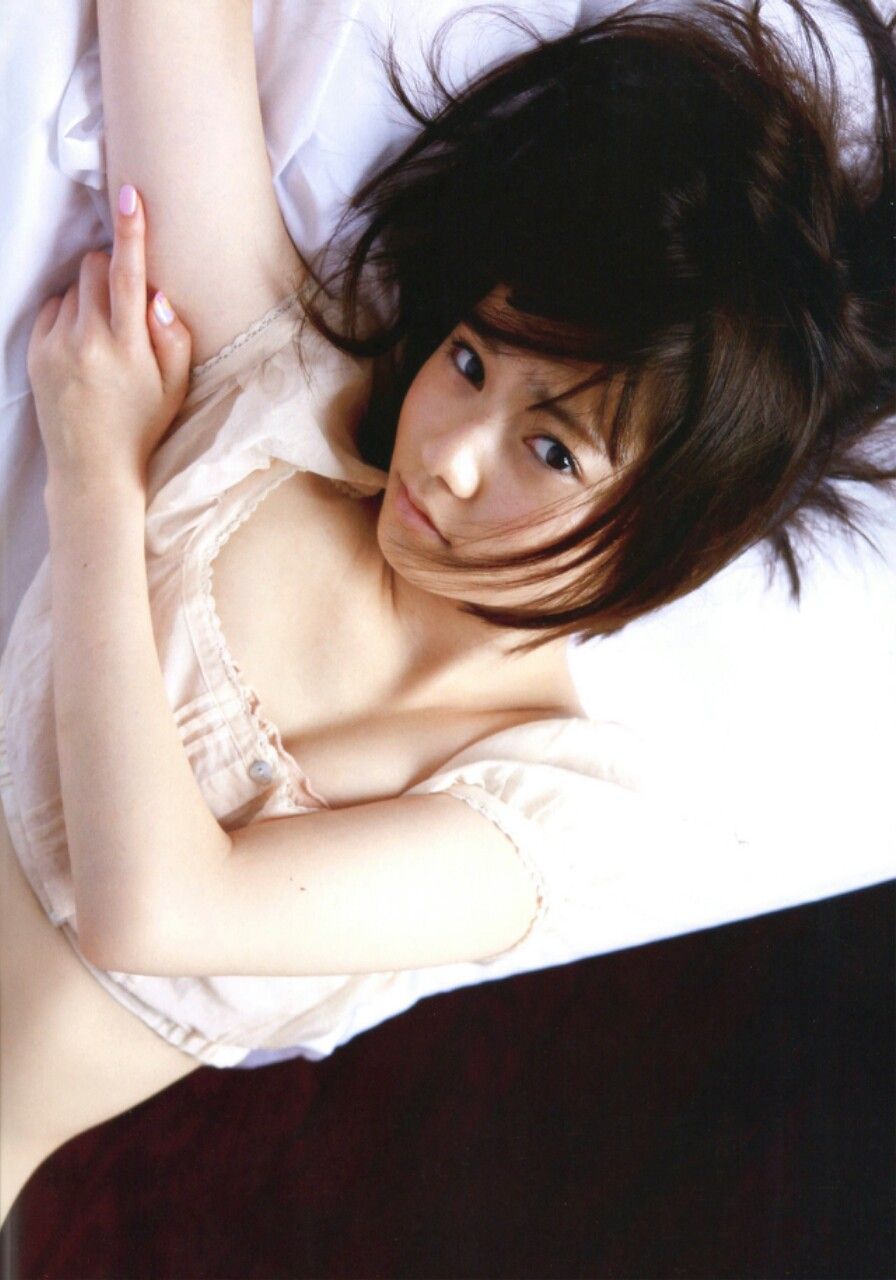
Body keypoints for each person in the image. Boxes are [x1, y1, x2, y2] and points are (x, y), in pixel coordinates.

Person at [1, 0, 893, 1225]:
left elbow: (150, 906)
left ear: (672, 527)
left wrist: (96, 475)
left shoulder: (552, 806)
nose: (453, 455)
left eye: (551, 448)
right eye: (470, 359)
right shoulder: (282, 395)